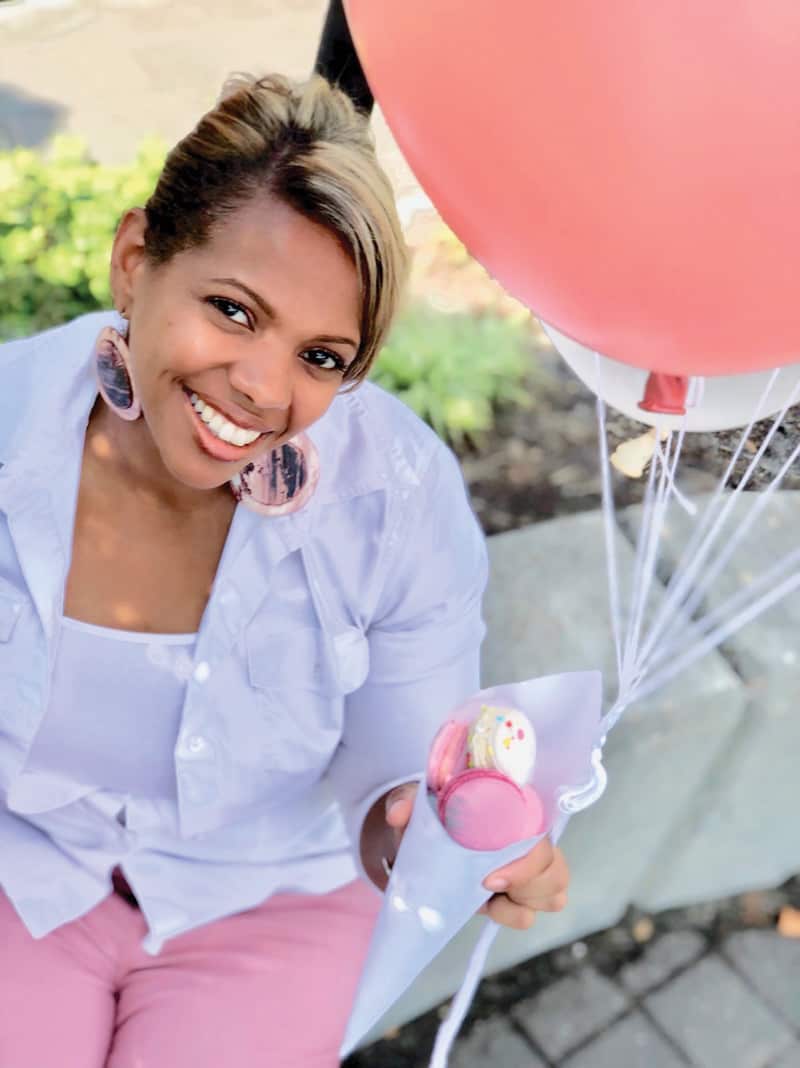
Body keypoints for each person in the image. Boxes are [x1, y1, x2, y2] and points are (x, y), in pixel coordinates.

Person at [0, 73, 569, 1067]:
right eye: (230, 309)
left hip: (267, 902)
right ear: (135, 263)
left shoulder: (395, 500)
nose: (263, 388)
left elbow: (394, 779)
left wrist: (429, 837)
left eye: (319, 358)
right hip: (24, 867)